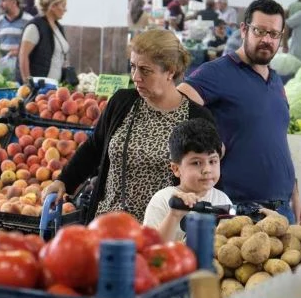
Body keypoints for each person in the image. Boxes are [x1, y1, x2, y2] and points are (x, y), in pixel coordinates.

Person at [41, 29, 213, 223]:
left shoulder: (197, 118)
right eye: (133, 67)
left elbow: (206, 177)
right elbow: (94, 148)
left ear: (170, 71)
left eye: (145, 70)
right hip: (107, 223)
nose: (136, 77)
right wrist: (64, 180)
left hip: (161, 232)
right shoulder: (122, 102)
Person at [178, 0, 301, 223]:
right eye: (259, 31)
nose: (266, 40)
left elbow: (277, 138)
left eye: (273, 34)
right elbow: (178, 104)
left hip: (282, 209)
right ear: (244, 30)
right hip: (238, 211)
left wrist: (294, 191)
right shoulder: (218, 72)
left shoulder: (275, 81)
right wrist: (209, 144)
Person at [144, 118, 230, 242]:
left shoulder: (223, 200)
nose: (207, 169)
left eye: (213, 161)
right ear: (176, 169)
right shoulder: (163, 199)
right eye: (196, 163)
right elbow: (151, 248)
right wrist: (174, 216)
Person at [18, 0, 71, 83]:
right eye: (63, 6)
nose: (65, 10)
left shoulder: (58, 27)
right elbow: (23, 55)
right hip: (39, 87)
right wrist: (28, 83)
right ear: (53, 6)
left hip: (54, 87)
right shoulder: (35, 26)